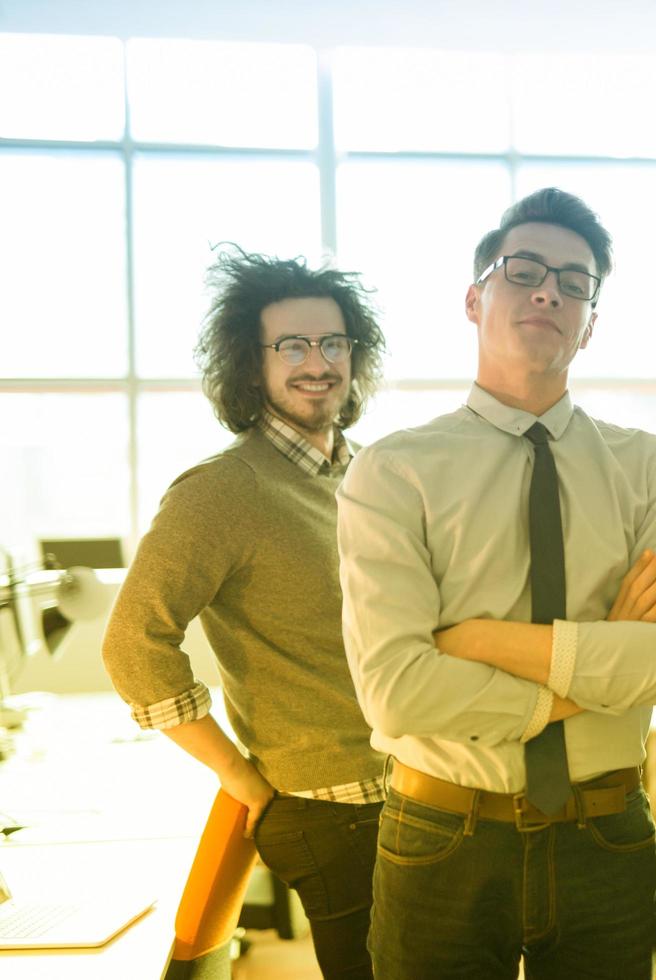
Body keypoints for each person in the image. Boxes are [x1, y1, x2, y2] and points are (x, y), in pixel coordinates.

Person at [336, 187, 656, 979]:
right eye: (525, 270)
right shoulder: (394, 471)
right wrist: (593, 665)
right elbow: (397, 691)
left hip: (605, 835)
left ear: (591, 322)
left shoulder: (652, 470)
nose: (550, 291)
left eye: (575, 282)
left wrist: (476, 644)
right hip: (442, 837)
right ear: (475, 299)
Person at [102, 248, 389, 979]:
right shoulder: (220, 492)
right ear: (250, 363)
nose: (316, 362)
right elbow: (134, 645)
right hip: (331, 811)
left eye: (332, 343)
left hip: (412, 795)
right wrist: (241, 777)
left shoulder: (366, 477)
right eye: (290, 345)